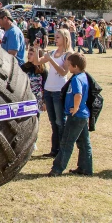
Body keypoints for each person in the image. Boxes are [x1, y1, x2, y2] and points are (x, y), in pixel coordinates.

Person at [49, 53, 93, 176]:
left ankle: (57, 169)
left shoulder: (76, 79)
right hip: (83, 115)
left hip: (76, 116)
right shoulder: (83, 76)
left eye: (69, 65)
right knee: (84, 143)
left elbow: (78, 94)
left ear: (75, 66)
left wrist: (75, 108)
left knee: (66, 143)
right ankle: (85, 168)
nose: (68, 67)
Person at [36, 28, 72, 159]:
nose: (55, 39)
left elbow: (63, 72)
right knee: (53, 121)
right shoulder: (53, 52)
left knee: (60, 121)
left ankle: (62, 149)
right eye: (55, 37)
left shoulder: (68, 54)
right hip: (49, 90)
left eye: (58, 37)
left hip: (59, 91)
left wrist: (50, 60)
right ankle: (54, 149)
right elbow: (37, 62)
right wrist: (35, 48)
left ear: (65, 39)